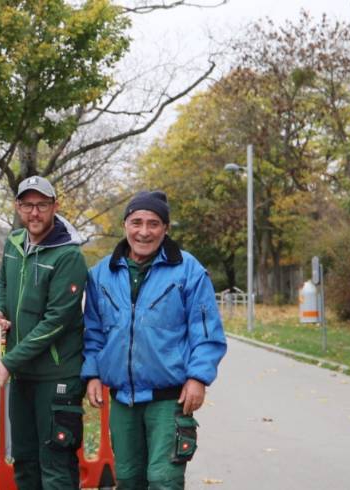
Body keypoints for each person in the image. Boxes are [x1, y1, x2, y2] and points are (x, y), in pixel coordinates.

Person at [82, 190, 227, 490]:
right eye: (136, 222)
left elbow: (207, 332)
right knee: (129, 479)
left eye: (153, 223)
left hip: (169, 399)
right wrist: (92, 373)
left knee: (163, 480)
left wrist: (198, 378)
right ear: (125, 225)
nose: (144, 232)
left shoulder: (189, 271)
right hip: (122, 399)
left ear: (165, 229)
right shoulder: (101, 275)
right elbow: (93, 332)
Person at [0, 176, 89, 490]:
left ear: (54, 207)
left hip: (56, 376)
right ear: (18, 208)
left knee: (55, 464)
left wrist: (9, 361)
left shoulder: (68, 256)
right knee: (25, 460)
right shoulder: (14, 242)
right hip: (23, 375)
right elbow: (3, 282)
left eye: (42, 205)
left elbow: (57, 320)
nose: (34, 213)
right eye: (28, 205)